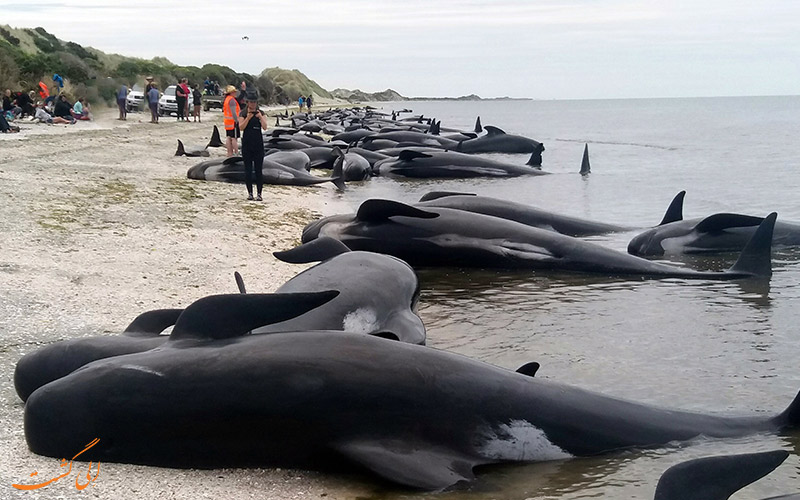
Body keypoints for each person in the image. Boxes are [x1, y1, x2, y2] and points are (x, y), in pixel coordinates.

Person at [238, 90, 267, 201]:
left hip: (258, 144)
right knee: (248, 170)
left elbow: (265, 127)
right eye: (251, 102)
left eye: (254, 102)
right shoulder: (243, 113)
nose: (253, 104)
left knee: (259, 170)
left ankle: (259, 194)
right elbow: (241, 127)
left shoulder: (261, 113)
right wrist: (248, 118)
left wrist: (259, 117)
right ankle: (250, 193)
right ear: (247, 102)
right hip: (247, 144)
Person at [222, 84, 240, 156]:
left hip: (227, 121)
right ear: (231, 92)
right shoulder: (232, 100)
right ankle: (236, 152)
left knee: (228, 137)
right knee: (234, 138)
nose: (235, 93)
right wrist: (237, 120)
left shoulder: (227, 99)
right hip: (233, 122)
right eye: (234, 92)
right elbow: (233, 112)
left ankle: (229, 152)